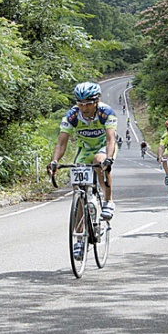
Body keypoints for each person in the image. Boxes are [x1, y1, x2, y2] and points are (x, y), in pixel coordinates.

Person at [47, 81, 118, 226]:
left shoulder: (106, 112)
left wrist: (108, 159)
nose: (84, 108)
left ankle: (108, 201)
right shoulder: (72, 115)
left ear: (97, 101)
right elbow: (61, 143)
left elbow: (111, 140)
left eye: (88, 104)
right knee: (78, 190)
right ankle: (79, 236)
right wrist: (54, 161)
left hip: (103, 147)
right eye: (80, 104)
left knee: (99, 161)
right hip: (84, 150)